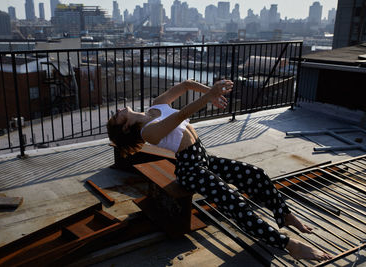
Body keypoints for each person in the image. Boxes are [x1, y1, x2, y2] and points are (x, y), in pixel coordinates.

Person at [107, 79, 333, 261]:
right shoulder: (148, 132)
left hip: (203, 157)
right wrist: (208, 96)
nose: (118, 110)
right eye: (117, 116)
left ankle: (284, 214)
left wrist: (212, 93)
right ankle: (288, 244)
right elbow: (180, 116)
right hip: (190, 169)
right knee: (234, 201)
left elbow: (185, 85)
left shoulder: (156, 105)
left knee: (256, 173)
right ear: (125, 126)